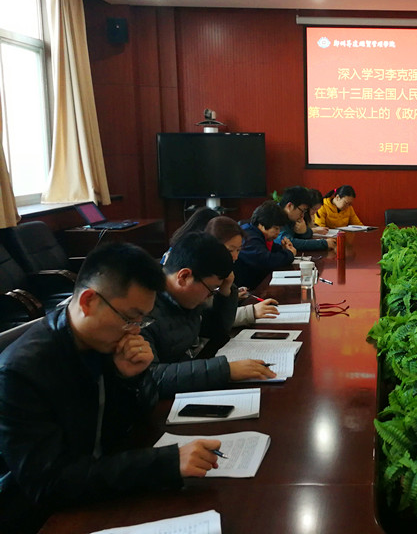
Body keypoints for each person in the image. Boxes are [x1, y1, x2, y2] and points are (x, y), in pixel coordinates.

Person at [0, 243, 223, 532]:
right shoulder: (20, 372)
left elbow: (137, 421)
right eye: (129, 318)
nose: (136, 329)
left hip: (106, 486)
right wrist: (165, 464)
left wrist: (132, 379)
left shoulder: (105, 341)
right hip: (46, 515)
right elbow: (49, 483)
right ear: (88, 301)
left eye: (142, 319)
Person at [144, 232, 276, 397]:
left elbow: (215, 330)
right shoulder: (142, 309)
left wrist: (226, 291)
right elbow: (150, 378)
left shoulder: (184, 298)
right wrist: (225, 371)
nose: (209, 296)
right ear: (184, 276)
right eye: (211, 289)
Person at [205, 215, 281, 325]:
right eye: (230, 251)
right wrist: (251, 312)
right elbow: (207, 322)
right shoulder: (201, 274)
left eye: (238, 250)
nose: (235, 257)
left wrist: (231, 294)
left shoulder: (223, 271)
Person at [235, 200, 296, 288]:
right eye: (276, 228)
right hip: (245, 288)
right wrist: (289, 254)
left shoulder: (257, 234)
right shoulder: (248, 236)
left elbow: (271, 251)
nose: (278, 232)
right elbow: (266, 260)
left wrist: (284, 249)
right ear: (262, 225)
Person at [277, 186, 335, 252]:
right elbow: (290, 243)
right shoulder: (275, 216)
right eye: (302, 210)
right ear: (289, 206)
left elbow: (300, 235)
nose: (302, 215)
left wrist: (304, 231)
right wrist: (324, 243)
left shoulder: (290, 217)